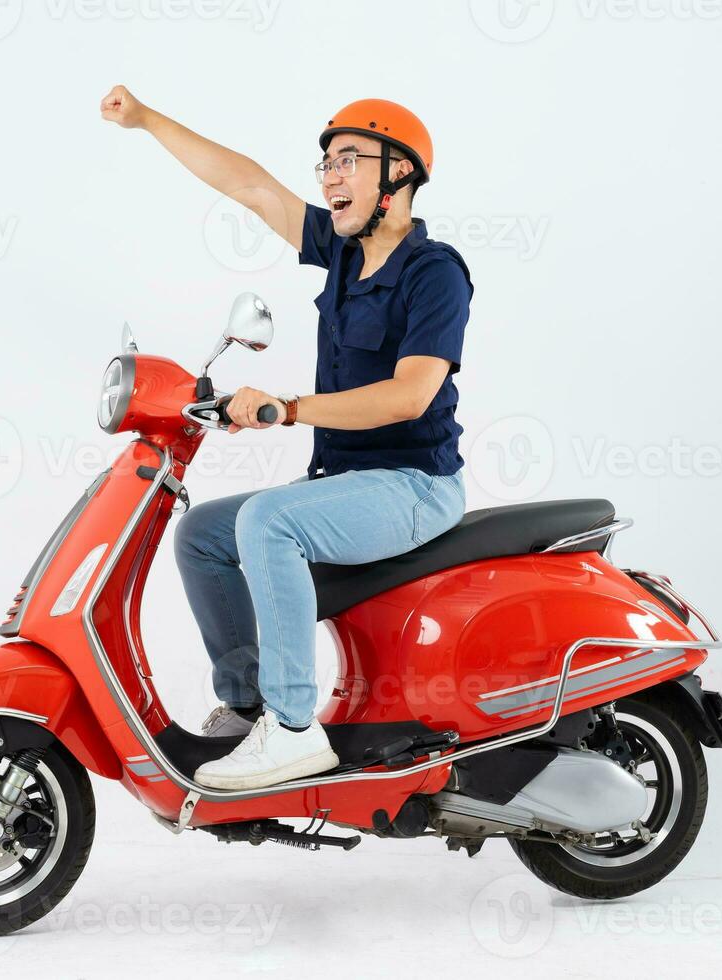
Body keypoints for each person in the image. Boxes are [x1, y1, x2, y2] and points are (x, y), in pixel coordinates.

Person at [100, 86, 472, 790]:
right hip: (347, 482)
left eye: (348, 161)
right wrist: (149, 119)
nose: (330, 176)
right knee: (203, 534)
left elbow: (410, 395)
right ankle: (247, 706)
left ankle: (294, 729)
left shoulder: (434, 273)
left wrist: (291, 408)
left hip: (416, 486)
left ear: (399, 175)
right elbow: (248, 184)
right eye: (325, 164)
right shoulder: (340, 249)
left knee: (269, 522)